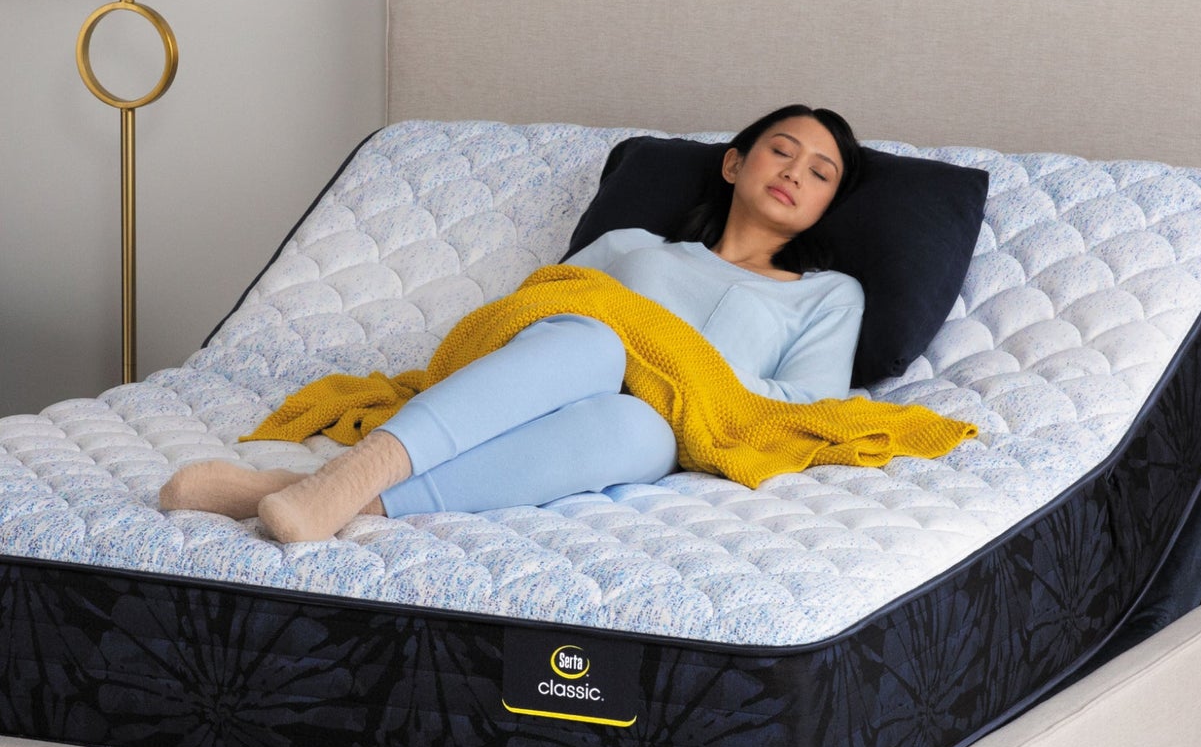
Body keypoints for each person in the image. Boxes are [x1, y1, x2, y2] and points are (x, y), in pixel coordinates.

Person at [159, 105, 867, 542]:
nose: (796, 171)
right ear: (735, 161)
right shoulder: (630, 247)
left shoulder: (827, 295)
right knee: (593, 336)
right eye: (782, 148)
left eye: (821, 171)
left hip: (671, 422)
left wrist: (682, 369)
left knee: (639, 431)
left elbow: (811, 406)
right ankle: (358, 471)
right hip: (562, 367)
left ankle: (310, 492)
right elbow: (539, 312)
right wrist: (625, 344)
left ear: (826, 205)